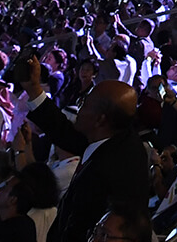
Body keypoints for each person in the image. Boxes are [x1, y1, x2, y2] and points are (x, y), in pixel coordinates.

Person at [18, 56, 150, 242]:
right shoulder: (116, 137)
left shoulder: (112, 168)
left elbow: (83, 226)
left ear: (100, 119)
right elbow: (65, 133)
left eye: (84, 104)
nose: (78, 109)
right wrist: (34, 89)